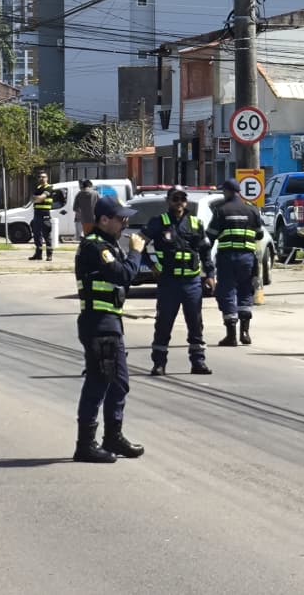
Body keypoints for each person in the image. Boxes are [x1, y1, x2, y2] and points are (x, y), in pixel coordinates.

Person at [73, 196, 147, 463]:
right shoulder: (96, 247)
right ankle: (85, 444)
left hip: (111, 322)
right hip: (99, 323)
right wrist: (136, 252)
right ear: (104, 220)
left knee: (119, 383)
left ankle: (113, 436)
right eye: (120, 218)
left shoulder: (109, 245)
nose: (125, 222)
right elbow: (124, 275)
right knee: (98, 382)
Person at [145, 187, 214, 377]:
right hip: (169, 282)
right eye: (175, 198)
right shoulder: (159, 223)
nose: (179, 202)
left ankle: (198, 362)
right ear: (168, 201)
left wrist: (210, 274)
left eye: (182, 198)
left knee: (195, 323)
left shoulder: (195, 224)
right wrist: (152, 264)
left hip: (192, 282)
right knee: (164, 323)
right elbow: (139, 243)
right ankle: (159, 363)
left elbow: (205, 251)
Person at [206, 179, 265, 347]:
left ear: (228, 191)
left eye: (223, 191)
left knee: (226, 292)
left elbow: (210, 235)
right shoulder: (252, 210)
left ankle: (231, 335)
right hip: (247, 259)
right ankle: (245, 333)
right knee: (246, 291)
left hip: (227, 258)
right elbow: (260, 235)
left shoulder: (221, 210)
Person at [30, 171, 55, 261]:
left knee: (46, 234)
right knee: (36, 234)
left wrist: (37, 198)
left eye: (44, 177)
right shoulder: (38, 188)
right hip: (37, 214)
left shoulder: (49, 188)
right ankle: (38, 254)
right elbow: (32, 199)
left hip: (45, 214)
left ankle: (49, 255)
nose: (42, 178)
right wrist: (37, 199)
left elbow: (40, 199)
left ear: (47, 178)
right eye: (40, 177)